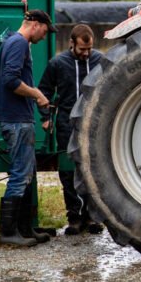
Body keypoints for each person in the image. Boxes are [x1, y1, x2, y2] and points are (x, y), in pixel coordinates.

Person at [0, 8, 55, 247]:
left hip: (15, 116)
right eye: (45, 32)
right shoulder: (18, 44)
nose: (44, 37)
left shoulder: (10, 42)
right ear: (35, 25)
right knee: (20, 174)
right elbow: (9, 80)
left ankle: (25, 229)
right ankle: (8, 233)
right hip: (16, 119)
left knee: (27, 173)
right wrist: (36, 94)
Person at [38, 23, 104, 235]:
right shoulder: (58, 63)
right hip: (66, 123)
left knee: (93, 169)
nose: (86, 53)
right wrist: (45, 117)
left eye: (89, 48)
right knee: (68, 171)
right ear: (72, 43)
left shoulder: (100, 60)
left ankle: (92, 216)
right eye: (82, 49)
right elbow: (44, 91)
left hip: (94, 124)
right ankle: (74, 217)